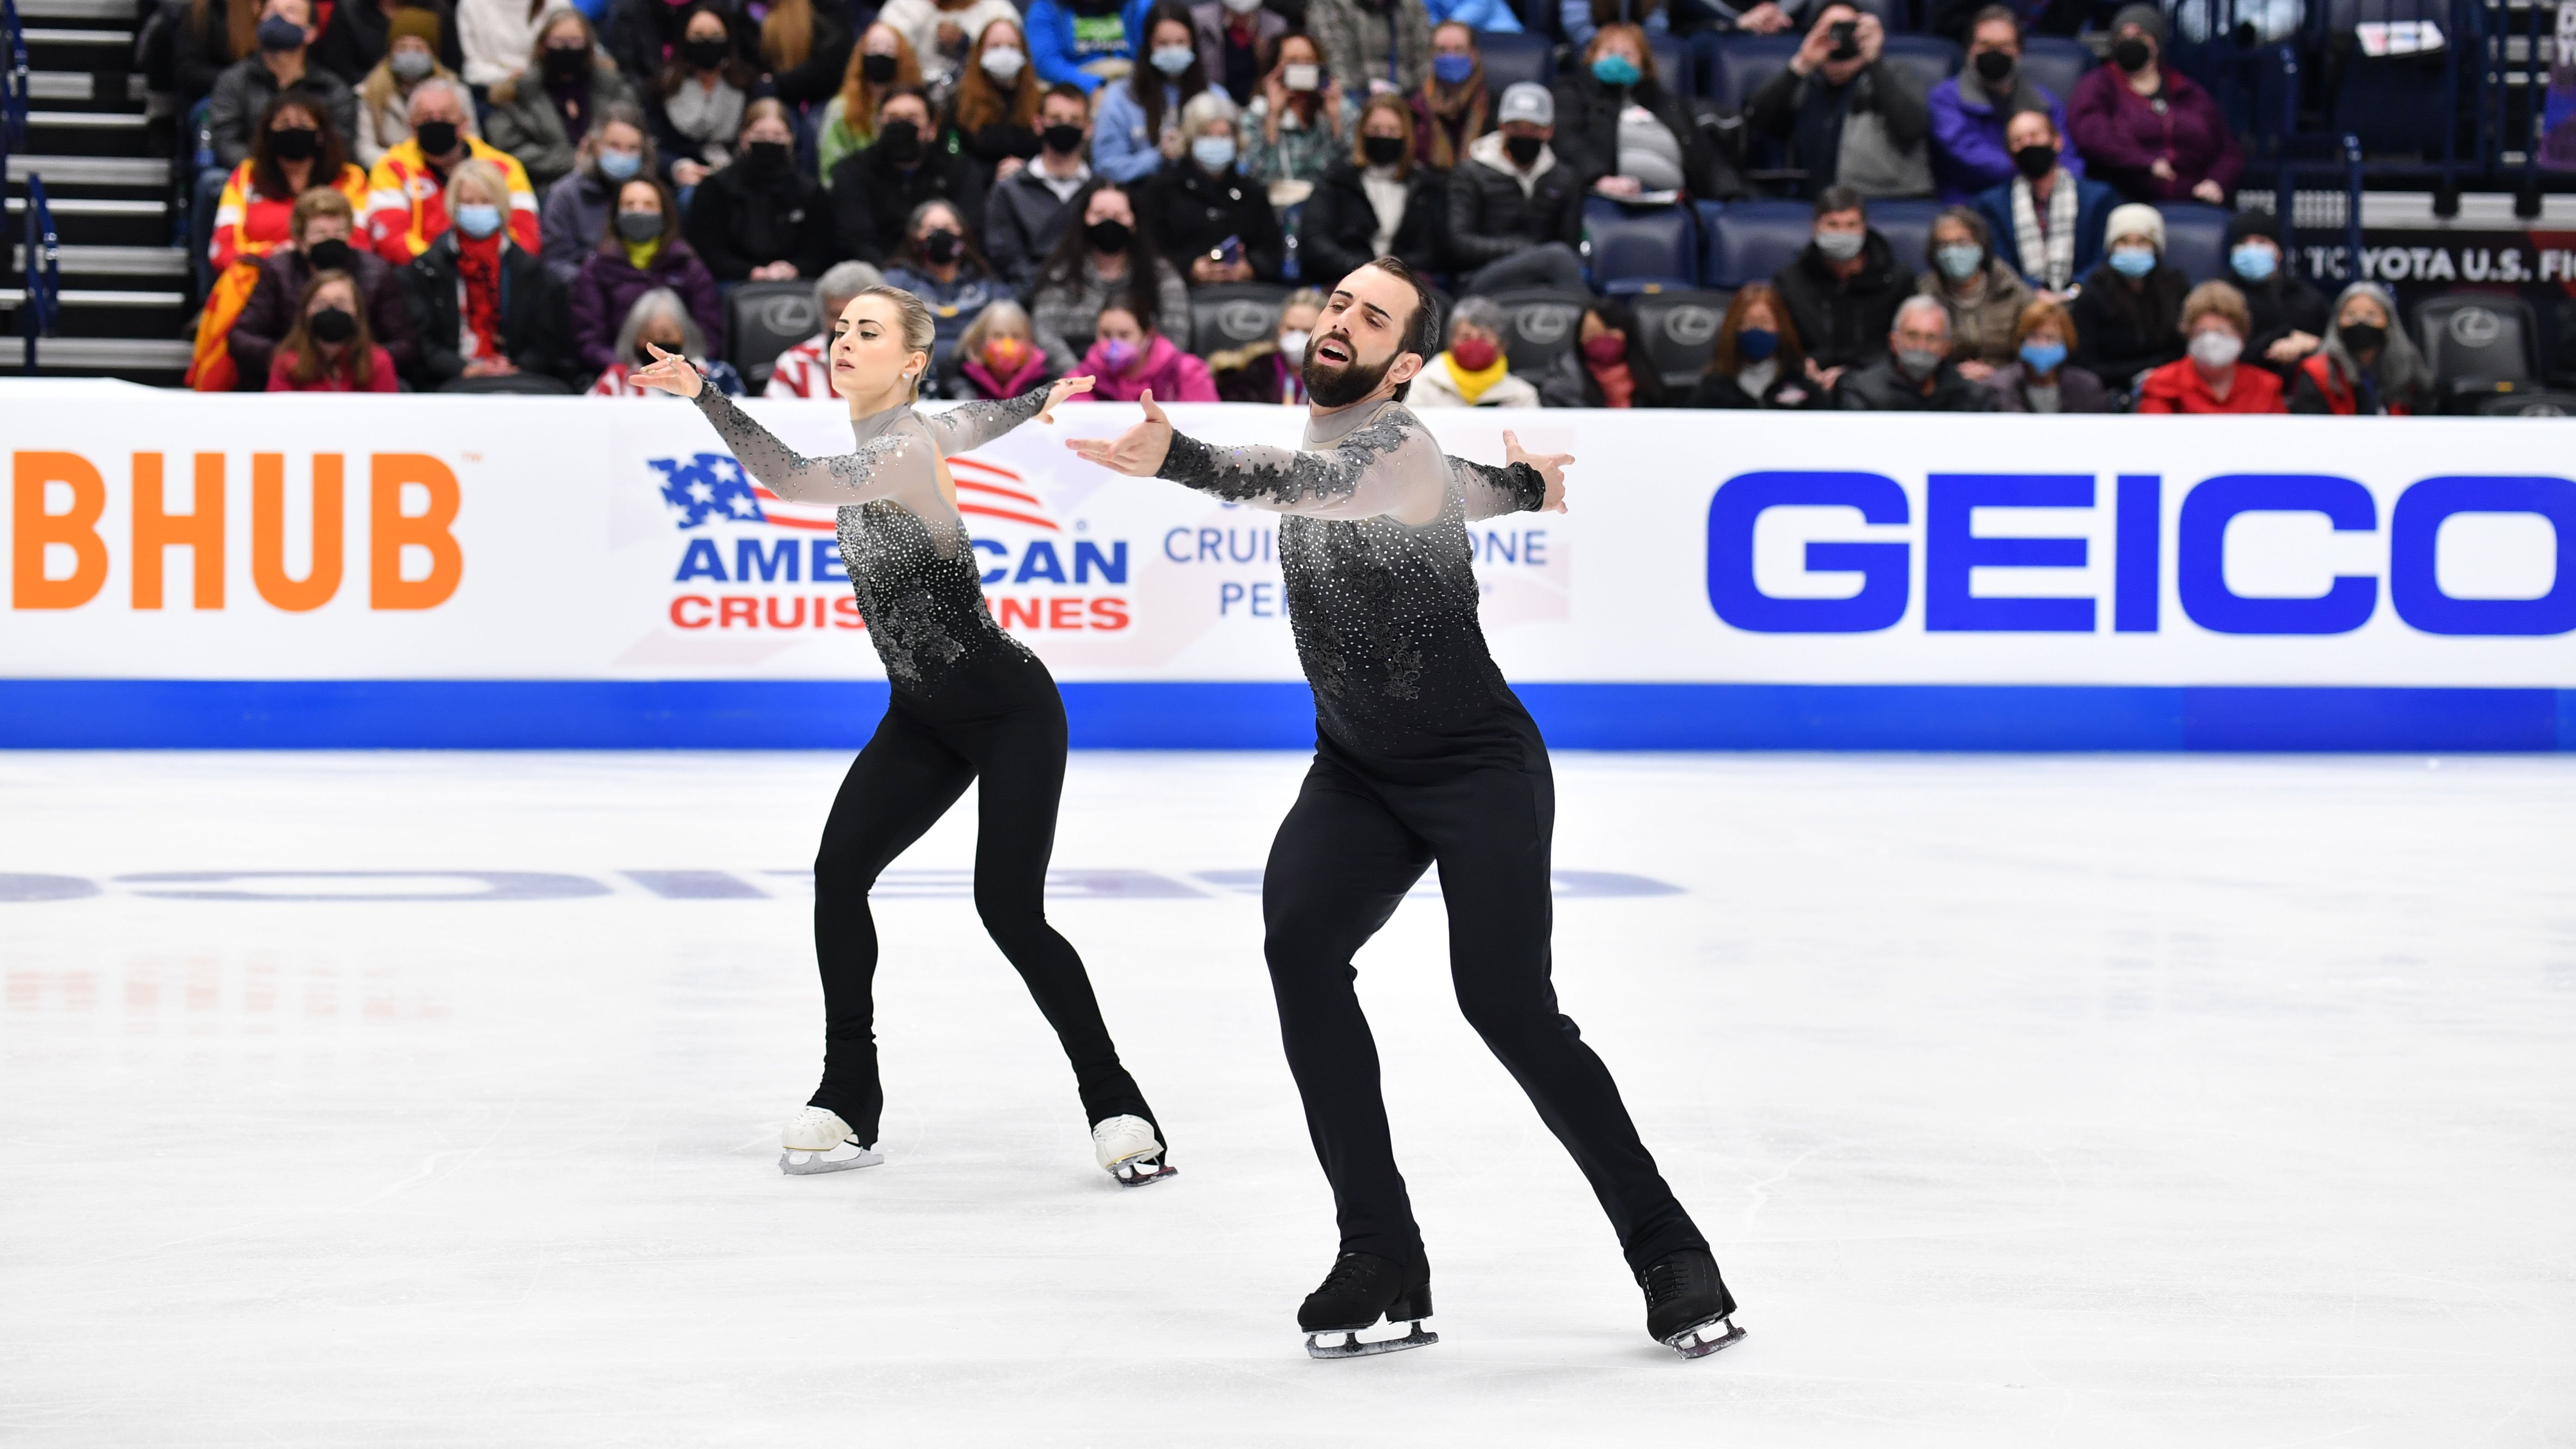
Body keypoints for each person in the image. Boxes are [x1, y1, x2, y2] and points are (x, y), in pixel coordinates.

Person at [1065, 256, 1740, 1363]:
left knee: (1507, 1007)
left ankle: (1670, 1248)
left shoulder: (1393, 447)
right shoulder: (1369, 451)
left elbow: (1325, 485)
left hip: (1477, 766)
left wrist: (1179, 456)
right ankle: (1381, 1251)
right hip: (1358, 770)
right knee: (1300, 946)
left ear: (1404, 364)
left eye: (1370, 317)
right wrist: (1531, 489)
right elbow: (1466, 491)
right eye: (1336, 302)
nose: (1342, 321)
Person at [627, 287, 1178, 1191]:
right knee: (838, 875)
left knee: (1009, 910)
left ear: (912, 360)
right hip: (921, 712)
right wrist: (1035, 401)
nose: (844, 341)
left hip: (1007, 709)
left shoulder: (902, 445)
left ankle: (1117, 1103)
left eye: (868, 332)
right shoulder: (921, 428)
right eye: (840, 329)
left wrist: (707, 396)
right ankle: (850, 1095)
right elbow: (975, 421)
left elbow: (798, 482)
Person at [194, 95, 372, 391]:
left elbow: (362, 243)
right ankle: (218, 388)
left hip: (334, 274)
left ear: (321, 134)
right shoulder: (247, 177)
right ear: (268, 134)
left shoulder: (350, 178)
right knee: (238, 280)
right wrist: (277, 255)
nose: (294, 130)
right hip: (263, 278)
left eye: (303, 124)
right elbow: (221, 249)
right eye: (285, 124)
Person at [401, 158, 568, 388]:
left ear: (501, 206)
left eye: (486, 202)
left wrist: (516, 369)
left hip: (519, 380)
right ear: (453, 206)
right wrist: (465, 369)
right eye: (468, 202)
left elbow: (546, 341)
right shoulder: (426, 269)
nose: (477, 209)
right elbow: (423, 342)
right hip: (448, 381)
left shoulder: (530, 271)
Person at [230, 186, 419, 386]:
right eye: (320, 233)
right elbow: (241, 337)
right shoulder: (278, 272)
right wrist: (291, 360)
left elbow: (406, 343)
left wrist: (358, 362)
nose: (330, 240)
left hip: (360, 377)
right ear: (300, 240)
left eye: (339, 232)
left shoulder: (376, 272)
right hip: (294, 375)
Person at [1746, 3, 1930, 200]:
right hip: (1816, 207)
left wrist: (1874, 61)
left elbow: (1912, 129)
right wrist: (1801, 64)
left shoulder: (1894, 75)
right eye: (1829, 31)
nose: (1840, 39)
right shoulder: (1803, 84)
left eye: (1848, 29)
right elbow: (1756, 122)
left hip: (1884, 200)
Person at [2066, 4, 2238, 205]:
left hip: (2192, 199)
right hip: (2126, 196)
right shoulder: (2098, 85)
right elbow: (2091, 134)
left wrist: (2215, 182)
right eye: (2123, 37)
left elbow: (2227, 151)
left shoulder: (2188, 90)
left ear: (2156, 42)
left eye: (2139, 36)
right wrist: (2145, 162)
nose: (2130, 42)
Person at [1550, 23, 1740, 201]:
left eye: (1627, 55)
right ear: (1591, 56)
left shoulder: (1667, 103)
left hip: (1677, 199)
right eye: (1609, 53)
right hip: (1604, 196)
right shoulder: (1572, 92)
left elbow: (1705, 155)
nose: (1617, 61)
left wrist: (1732, 195)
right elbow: (1566, 140)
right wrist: (1598, 179)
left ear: (1644, 63)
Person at [365, 77, 539, 261]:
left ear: (464, 123)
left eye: (445, 117)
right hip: (423, 276)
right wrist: (445, 269)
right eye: (427, 118)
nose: (436, 123)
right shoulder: (391, 168)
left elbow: (526, 238)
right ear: (412, 127)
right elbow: (392, 241)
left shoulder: (504, 168)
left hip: (496, 271)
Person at [1030, 180, 1195, 370]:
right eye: (1099, 215)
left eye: (1118, 216)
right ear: (1084, 220)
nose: (1109, 222)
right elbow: (1045, 333)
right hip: (1075, 382)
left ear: (1134, 222)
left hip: (1146, 381)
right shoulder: (1061, 273)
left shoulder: (1161, 274)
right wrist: (1079, 381)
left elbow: (1177, 335)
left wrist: (1144, 378)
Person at [570, 175, 723, 377]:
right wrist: (632, 372)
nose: (639, 211)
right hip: (617, 377)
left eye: (649, 205)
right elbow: (589, 339)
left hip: (685, 376)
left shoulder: (688, 266)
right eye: (629, 205)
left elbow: (709, 335)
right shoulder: (596, 268)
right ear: (616, 214)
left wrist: (681, 371)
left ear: (665, 213)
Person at [1445, 83, 1588, 295]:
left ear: (1549, 131)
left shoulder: (1563, 178)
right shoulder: (1470, 173)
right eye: (1517, 128)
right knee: (1558, 257)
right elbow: (1459, 242)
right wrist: (1521, 250)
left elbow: (1570, 243)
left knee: (1562, 260)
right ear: (1502, 126)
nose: (1525, 136)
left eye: (1534, 129)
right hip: (1480, 276)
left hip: (1544, 277)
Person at [1926, 6, 2077, 203]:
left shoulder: (2043, 101)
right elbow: (1967, 155)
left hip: (2039, 200)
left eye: (2004, 46)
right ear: (1970, 49)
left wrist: (2058, 178)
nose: (1994, 53)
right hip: (1971, 202)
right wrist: (2032, 168)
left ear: (2019, 51)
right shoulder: (1945, 99)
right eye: (1985, 45)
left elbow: (2069, 157)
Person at [829, 87, 989, 265]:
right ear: (877, 128)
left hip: (943, 272)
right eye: (892, 119)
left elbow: (969, 232)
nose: (901, 127)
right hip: (878, 276)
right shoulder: (852, 171)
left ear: (931, 130)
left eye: (912, 119)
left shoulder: (961, 170)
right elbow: (857, 240)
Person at [479, 10, 635, 191]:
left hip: (612, 181)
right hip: (544, 185)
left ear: (589, 46)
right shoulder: (517, 92)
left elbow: (636, 133)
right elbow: (508, 148)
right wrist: (573, 160)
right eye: (559, 42)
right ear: (543, 46)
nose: (567, 49)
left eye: (576, 42)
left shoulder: (612, 86)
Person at [684, 98, 836, 281]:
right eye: (760, 135)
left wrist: (793, 270)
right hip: (731, 281)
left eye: (778, 136)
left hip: (796, 281)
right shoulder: (716, 187)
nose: (769, 142)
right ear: (744, 138)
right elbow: (708, 250)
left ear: (790, 139)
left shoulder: (810, 192)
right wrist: (753, 272)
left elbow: (820, 252)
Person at [1298, 95, 1442, 285]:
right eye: (1375, 129)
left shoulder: (1425, 187)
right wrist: (1365, 269)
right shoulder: (1336, 181)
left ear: (1406, 136)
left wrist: (1396, 270)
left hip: (1406, 283)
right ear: (1362, 132)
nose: (1383, 136)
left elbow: (1432, 250)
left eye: (1392, 131)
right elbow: (1316, 242)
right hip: (1344, 279)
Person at [1771, 185, 1907, 386]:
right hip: (1810, 383)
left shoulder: (1897, 279)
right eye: (1833, 225)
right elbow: (1782, 344)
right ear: (1815, 227)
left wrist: (1854, 375)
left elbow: (1906, 345)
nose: (1843, 234)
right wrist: (1800, 365)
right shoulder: (1790, 282)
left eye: (1851, 225)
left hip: (1879, 384)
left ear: (1864, 228)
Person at [1969, 107, 2113, 295]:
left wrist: (2073, 292)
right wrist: (2036, 294)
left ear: (2057, 141)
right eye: (2018, 141)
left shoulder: (2098, 198)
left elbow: (2102, 259)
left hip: (2086, 300)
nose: (2028, 144)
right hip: (2022, 302)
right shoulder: (1990, 205)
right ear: (2010, 155)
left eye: (2034, 135)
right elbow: (1999, 263)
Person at [1146, 91, 1287, 281]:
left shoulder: (1252, 191)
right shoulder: (1163, 189)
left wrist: (1249, 268)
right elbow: (1151, 251)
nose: (1216, 142)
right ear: (1189, 139)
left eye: (1224, 136)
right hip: (1182, 289)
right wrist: (1189, 268)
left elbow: (1272, 251)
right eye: (1206, 135)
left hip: (1245, 292)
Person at [208, 0, 359, 170]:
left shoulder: (332, 88)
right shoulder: (234, 81)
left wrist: (304, 174)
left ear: (310, 33)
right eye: (271, 11)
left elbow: (341, 145)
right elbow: (226, 141)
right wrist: (267, 172)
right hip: (253, 175)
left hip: (317, 178)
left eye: (291, 12)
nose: (277, 18)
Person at [2068, 201, 2187, 388]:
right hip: (2110, 391)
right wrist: (2141, 372)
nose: (2133, 250)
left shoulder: (2176, 288)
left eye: (2142, 242)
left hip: (2170, 385)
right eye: (2123, 242)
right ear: (2111, 248)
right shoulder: (2092, 296)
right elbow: (2085, 365)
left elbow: (2185, 352)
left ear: (2156, 248)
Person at [986, 84, 1096, 285]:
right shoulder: (1011, 189)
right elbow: (1006, 258)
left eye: (1075, 120)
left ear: (1089, 128)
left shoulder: (1101, 191)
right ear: (1038, 124)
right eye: (1056, 119)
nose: (1065, 126)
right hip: (1028, 294)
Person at [883, 198, 1011, 371]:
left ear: (963, 235)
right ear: (915, 238)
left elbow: (1013, 322)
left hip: (978, 373)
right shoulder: (896, 283)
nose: (941, 235)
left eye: (949, 228)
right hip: (915, 371)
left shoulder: (985, 283)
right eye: (931, 229)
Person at [539, 103, 656, 283]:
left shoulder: (653, 195)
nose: (623, 156)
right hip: (585, 293)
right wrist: (596, 284)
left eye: (632, 149)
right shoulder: (566, 194)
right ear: (595, 146)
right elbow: (555, 262)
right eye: (614, 146)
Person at [1094, 6, 1210, 183]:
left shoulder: (1213, 97)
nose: (1173, 51)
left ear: (1193, 44)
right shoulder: (1120, 97)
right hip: (1138, 196)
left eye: (1181, 43)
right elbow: (1106, 167)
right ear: (1148, 46)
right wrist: (1158, 157)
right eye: (1163, 44)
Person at [347, 7, 473, 166]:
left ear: (432, 53)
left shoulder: (456, 92)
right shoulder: (370, 92)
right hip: (392, 173)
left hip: (447, 169)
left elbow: (472, 140)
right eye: (402, 48)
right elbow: (365, 149)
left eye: (419, 48)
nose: (410, 54)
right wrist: (407, 167)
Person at [1237, 32, 1358, 196]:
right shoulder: (1257, 114)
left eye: (1309, 60)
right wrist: (1273, 116)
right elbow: (1255, 176)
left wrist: (1335, 120)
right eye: (1293, 61)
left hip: (1327, 204)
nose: (1302, 67)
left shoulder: (1342, 109)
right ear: (1276, 68)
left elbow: (1351, 171)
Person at [2135, 280, 2283, 413]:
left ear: (2241, 336)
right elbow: (2152, 439)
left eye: (2221, 332)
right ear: (2189, 335)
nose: (2211, 340)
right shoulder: (2161, 383)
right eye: (2202, 332)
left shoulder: (2266, 387)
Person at [1916, 204, 2031, 375]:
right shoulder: (1924, 295)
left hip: (2007, 384)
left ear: (1981, 245)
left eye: (1962, 242)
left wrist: (1996, 375)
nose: (1952, 252)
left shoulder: (2011, 289)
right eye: (1944, 245)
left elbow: (2035, 351)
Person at [650, 4, 754, 188]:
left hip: (737, 175)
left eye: (716, 37)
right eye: (698, 36)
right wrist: (679, 167)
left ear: (729, 40)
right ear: (684, 40)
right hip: (681, 180)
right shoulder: (661, 88)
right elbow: (655, 145)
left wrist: (732, 168)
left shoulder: (750, 86)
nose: (707, 43)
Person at [1835, 293, 1998, 409]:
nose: (1921, 347)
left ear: (1946, 348)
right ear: (1894, 341)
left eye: (1932, 338)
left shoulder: (1971, 397)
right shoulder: (1861, 391)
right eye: (1913, 336)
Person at [2287, 283, 2428, 415]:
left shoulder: (2409, 368)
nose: (2361, 323)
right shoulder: (2317, 373)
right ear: (2337, 325)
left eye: (2371, 315)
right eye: (2351, 315)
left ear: (2389, 324)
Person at [1688, 283, 1826, 409]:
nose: (1757, 330)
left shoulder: (1802, 380)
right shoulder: (1713, 385)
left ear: (1780, 325)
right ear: (1734, 328)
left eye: (1764, 322)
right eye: (1748, 323)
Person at [817, 24, 925, 184]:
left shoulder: (915, 107)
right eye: (874, 48)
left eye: (889, 49)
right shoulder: (840, 109)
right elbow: (830, 168)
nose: (881, 54)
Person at [2226, 210, 2330, 375]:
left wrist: (2311, 345)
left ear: (2279, 252)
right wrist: (2280, 337)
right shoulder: (2218, 297)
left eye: (2261, 242)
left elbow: (2333, 348)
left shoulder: (2307, 299)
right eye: (2242, 243)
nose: (2252, 250)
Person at [588, 286, 747, 394]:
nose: (656, 344)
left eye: (666, 336)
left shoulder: (719, 376)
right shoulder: (617, 378)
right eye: (648, 337)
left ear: (684, 334)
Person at [765, 260, 887, 397]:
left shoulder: (904, 363)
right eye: (837, 316)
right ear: (823, 316)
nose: (847, 328)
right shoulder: (794, 365)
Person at [265, 269, 401, 390]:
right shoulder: (286, 361)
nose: (331, 310)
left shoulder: (377, 361)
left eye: (341, 303)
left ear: (357, 311)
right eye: (321, 304)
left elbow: (387, 415)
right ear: (306, 311)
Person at [1407, 295, 1541, 408]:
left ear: (1502, 346)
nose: (1474, 344)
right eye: (1466, 337)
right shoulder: (1420, 386)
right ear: (1450, 343)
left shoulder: (1523, 396)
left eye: (1484, 337)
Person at [1076, 296, 1219, 400]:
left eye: (1124, 335)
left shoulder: (1186, 373)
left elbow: (1205, 427)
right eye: (1106, 335)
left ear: (1148, 335)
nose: (1114, 344)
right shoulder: (1080, 380)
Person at [951, 20, 1045, 178]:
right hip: (978, 188)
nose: (1004, 53)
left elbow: (1050, 152)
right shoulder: (960, 103)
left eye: (1012, 46)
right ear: (980, 52)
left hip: (1031, 187)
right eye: (995, 47)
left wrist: (1027, 168)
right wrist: (993, 172)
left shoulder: (1040, 102)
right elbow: (953, 154)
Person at [1539, 296, 1669, 407]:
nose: (1601, 340)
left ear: (1626, 332)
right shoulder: (1563, 380)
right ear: (1579, 338)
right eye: (1592, 334)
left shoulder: (1646, 376)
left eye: (1609, 332)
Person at [1983, 296, 2109, 411]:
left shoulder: (2086, 387)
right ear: (2021, 339)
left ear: (2066, 341)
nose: (2042, 344)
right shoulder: (2000, 386)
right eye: (2034, 337)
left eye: (2050, 338)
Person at [313, 0, 464, 90]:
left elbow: (452, 64)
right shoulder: (349, 9)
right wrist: (380, 87)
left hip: (431, 93)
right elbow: (338, 66)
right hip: (364, 94)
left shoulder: (437, 9)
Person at [877, 0, 1024, 88]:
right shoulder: (902, 7)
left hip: (981, 100)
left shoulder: (998, 9)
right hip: (914, 95)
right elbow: (884, 51)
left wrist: (965, 44)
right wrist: (924, 6)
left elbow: (1010, 66)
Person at [1214, 286, 1325, 402]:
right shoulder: (1255, 370)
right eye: (1291, 329)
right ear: (1280, 328)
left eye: (1307, 331)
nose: (1297, 337)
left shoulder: (1334, 374)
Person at [1025, 0, 1157, 95]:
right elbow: (1045, 62)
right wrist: (1093, 85)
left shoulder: (1140, 5)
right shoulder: (1046, 6)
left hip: (1133, 84)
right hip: (1075, 90)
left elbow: (1153, 49)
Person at [1305, 0, 1430, 96]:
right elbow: (1334, 63)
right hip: (1351, 98)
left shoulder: (1411, 7)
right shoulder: (1329, 5)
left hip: (1403, 99)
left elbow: (1423, 63)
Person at [1410, 20, 1487, 171]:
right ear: (1431, 55)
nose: (1450, 57)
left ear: (1474, 55)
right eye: (1442, 50)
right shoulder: (1416, 108)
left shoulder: (1491, 107)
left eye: (1459, 50)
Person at [945, 298, 1058, 399]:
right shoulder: (958, 376)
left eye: (1016, 336)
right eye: (998, 336)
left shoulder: (1045, 379)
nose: (1007, 345)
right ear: (981, 341)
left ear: (1029, 342)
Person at [755, 0, 856, 108]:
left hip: (822, 97)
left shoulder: (826, 11)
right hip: (784, 97)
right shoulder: (761, 16)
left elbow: (830, 65)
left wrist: (778, 83)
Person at [1193, 0, 1288, 106]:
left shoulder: (1276, 27)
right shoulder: (1200, 20)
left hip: (1258, 103)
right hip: (1214, 102)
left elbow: (1277, 74)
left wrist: (1265, 58)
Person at [455, 0, 547, 88]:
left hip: (541, 82)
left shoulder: (553, 4)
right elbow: (472, 66)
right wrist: (506, 76)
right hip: (488, 88)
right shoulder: (471, 5)